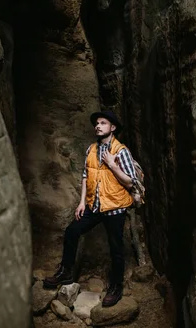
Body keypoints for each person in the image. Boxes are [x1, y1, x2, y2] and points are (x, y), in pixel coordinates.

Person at [43, 111, 137, 307]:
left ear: (112, 128)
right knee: (72, 231)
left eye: (103, 123)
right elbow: (86, 175)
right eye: (96, 123)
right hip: (94, 206)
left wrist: (113, 165)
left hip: (114, 207)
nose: (98, 126)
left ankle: (116, 286)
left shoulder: (121, 151)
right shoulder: (91, 150)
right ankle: (66, 271)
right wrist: (82, 202)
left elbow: (130, 182)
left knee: (116, 249)